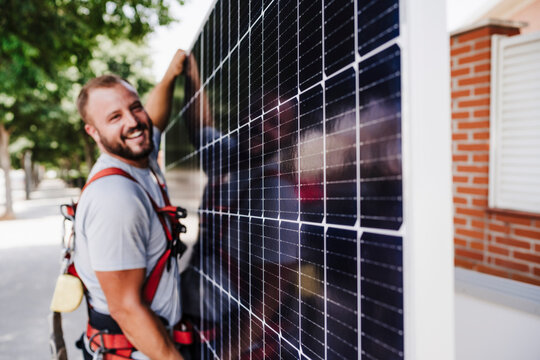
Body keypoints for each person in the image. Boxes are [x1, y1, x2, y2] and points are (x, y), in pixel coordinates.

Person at [73, 49, 188, 360]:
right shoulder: (117, 197)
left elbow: (154, 120)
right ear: (93, 132)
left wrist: (169, 75)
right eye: (115, 117)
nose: (134, 122)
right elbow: (126, 308)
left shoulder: (137, 157)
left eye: (135, 107)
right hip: (135, 352)